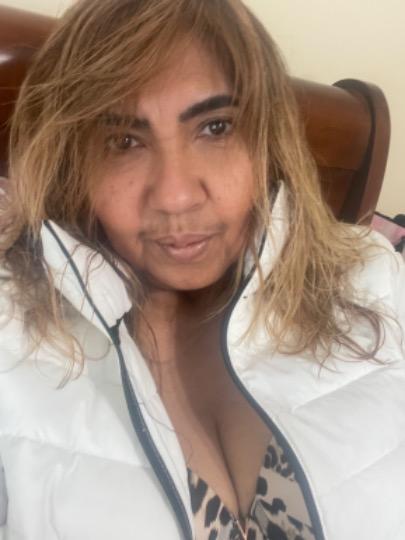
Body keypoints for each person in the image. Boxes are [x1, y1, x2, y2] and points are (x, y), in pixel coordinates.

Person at [0, 0, 404, 539]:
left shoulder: (373, 278)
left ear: (269, 141)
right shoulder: (11, 332)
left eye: (215, 127)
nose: (176, 197)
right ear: (73, 161)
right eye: (123, 141)